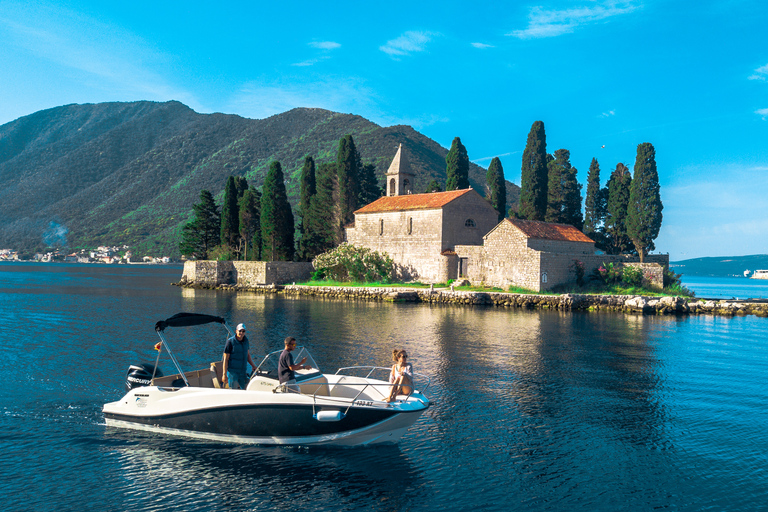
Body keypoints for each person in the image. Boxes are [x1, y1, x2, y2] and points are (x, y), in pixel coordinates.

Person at [222, 323, 256, 390]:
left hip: (243, 371)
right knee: (233, 391)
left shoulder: (246, 341)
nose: (241, 333)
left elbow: (248, 355)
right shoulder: (230, 342)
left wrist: (253, 365)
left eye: (243, 331)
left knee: (246, 389)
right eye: (240, 331)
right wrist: (224, 374)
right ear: (236, 331)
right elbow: (225, 359)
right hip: (233, 372)